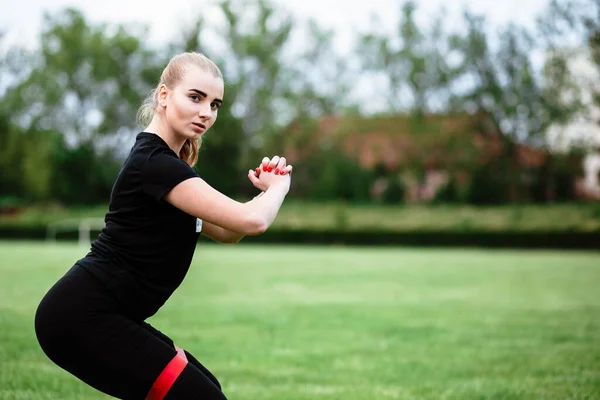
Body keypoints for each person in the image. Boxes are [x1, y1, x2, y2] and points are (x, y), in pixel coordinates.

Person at [34, 52, 293, 400]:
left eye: (215, 104)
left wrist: (262, 194)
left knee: (206, 389)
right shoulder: (155, 165)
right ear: (163, 95)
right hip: (80, 318)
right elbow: (254, 221)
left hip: (100, 316)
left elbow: (230, 231)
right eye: (196, 97)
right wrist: (278, 189)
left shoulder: (170, 168)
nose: (206, 112)